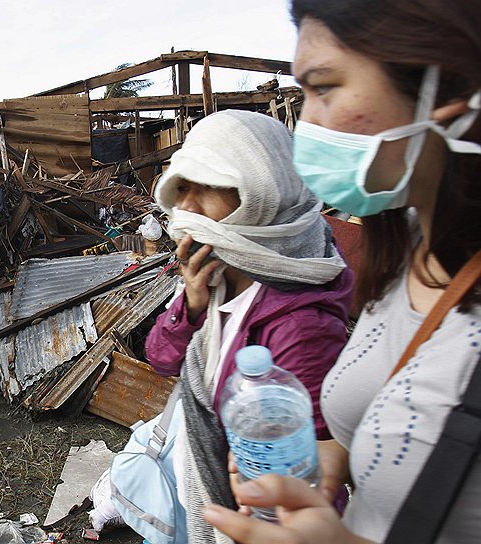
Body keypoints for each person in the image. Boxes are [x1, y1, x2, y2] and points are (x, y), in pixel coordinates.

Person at [204, 1, 481, 543]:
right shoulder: (406, 250)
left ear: (446, 91)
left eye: (324, 87)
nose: (303, 123)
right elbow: (369, 418)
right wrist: (313, 473)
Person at [144, 109, 353, 541]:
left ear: (262, 196)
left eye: (209, 187)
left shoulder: (300, 324)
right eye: (182, 187)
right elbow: (162, 359)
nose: (186, 207)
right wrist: (191, 305)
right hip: (210, 496)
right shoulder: (214, 276)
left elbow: (308, 481)